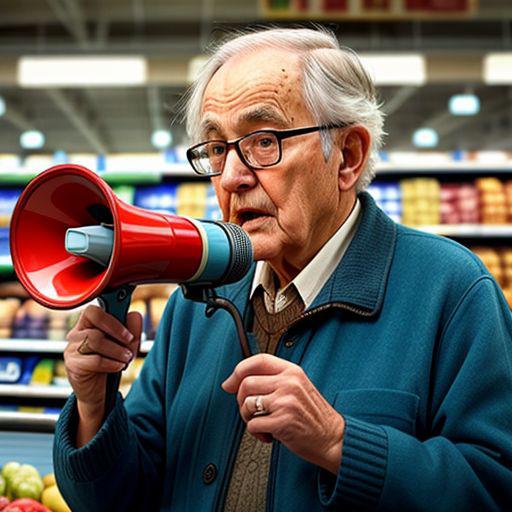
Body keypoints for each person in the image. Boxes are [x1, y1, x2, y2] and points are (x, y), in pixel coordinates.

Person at [53, 27, 512, 511]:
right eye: (215, 149)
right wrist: (93, 404)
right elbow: (123, 498)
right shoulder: (198, 300)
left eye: (263, 141)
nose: (231, 177)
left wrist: (338, 442)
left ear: (348, 157)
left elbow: (494, 487)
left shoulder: (452, 291)